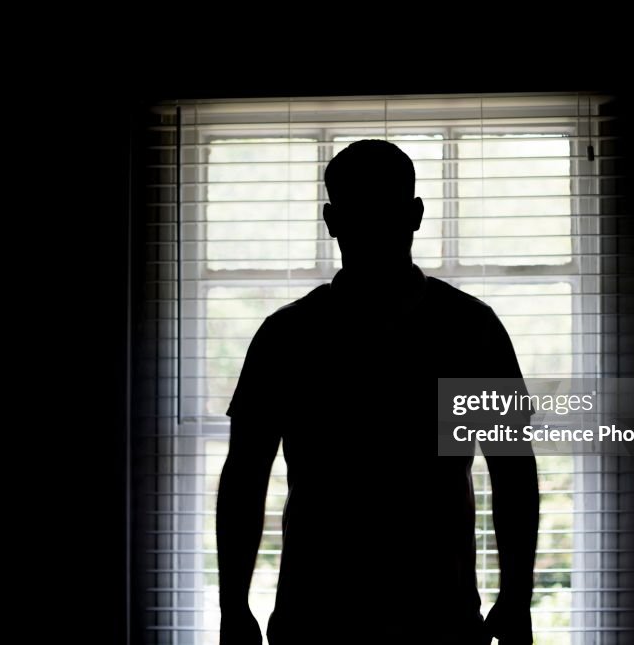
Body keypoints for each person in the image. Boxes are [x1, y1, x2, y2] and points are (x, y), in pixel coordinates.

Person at [216, 140, 539, 645]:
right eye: (363, 208)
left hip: (358, 613)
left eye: (379, 208)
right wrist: (516, 596)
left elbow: (245, 475)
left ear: (330, 219)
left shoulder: (289, 334)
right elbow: (512, 469)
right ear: (416, 215)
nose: (372, 224)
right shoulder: (469, 328)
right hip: (382, 614)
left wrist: (233, 605)